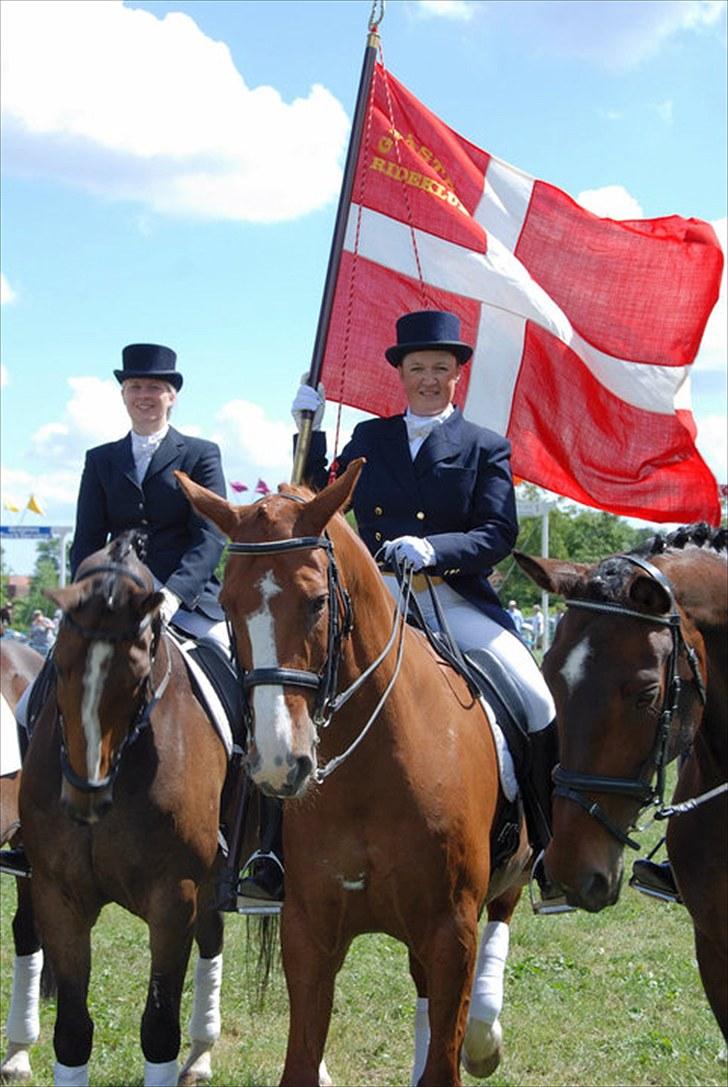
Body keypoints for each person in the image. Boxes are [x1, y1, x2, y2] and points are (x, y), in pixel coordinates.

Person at [288, 309, 563, 906]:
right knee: (284, 689)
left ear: (456, 375)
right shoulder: (369, 439)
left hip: (453, 596)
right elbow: (315, 501)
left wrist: (435, 549)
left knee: (536, 698)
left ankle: (548, 847)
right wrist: (305, 432)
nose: (429, 379)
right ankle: (269, 852)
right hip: (379, 598)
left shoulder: (485, 447)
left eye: (441, 368)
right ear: (402, 374)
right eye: (419, 368)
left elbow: (497, 532)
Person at [7, 344, 231, 881]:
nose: (145, 396)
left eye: (155, 388)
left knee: (235, 677)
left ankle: (244, 828)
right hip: (111, 604)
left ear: (171, 396)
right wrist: (84, 593)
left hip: (186, 601)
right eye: (135, 388)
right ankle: (26, 823)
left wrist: (175, 593)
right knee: (32, 703)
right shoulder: (100, 459)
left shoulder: (200, 453)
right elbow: (87, 538)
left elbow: (210, 535)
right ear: (124, 395)